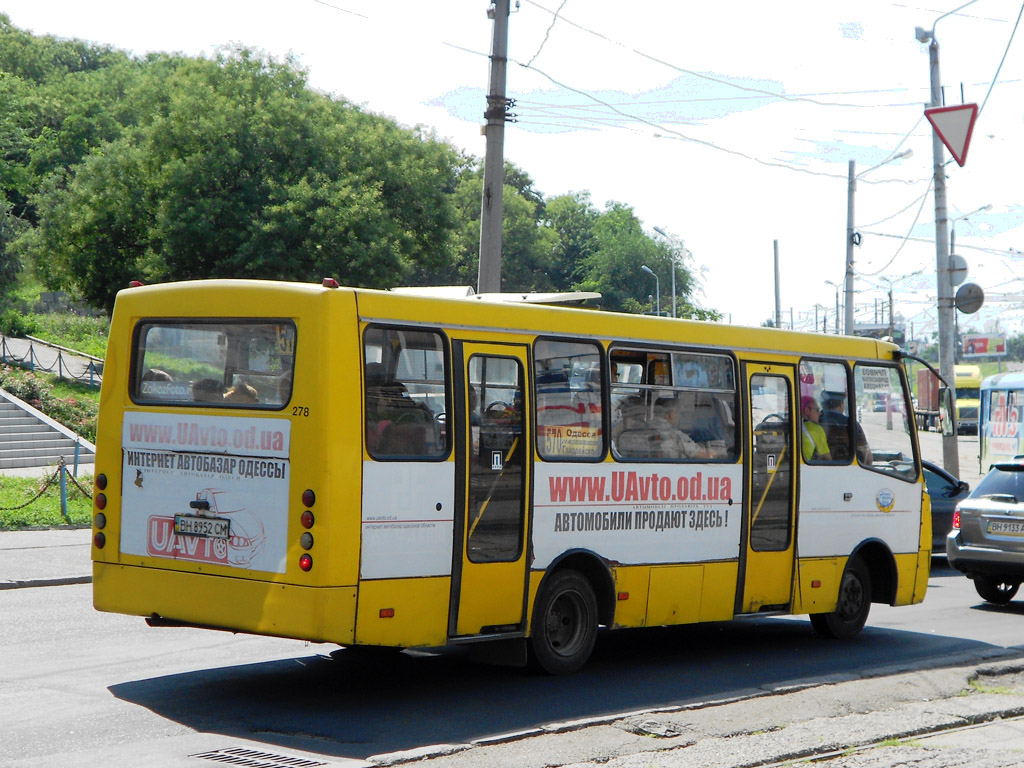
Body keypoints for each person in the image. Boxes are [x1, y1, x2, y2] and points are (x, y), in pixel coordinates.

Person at [819, 390, 872, 465]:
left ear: (823, 405)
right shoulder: (852, 424)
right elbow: (867, 456)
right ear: (841, 405)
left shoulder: (815, 422)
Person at [801, 395, 831, 462]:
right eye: (817, 410)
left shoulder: (796, 426)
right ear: (807, 411)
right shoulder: (816, 429)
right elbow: (827, 457)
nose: (820, 413)